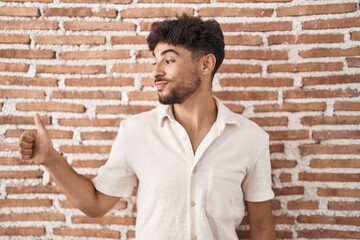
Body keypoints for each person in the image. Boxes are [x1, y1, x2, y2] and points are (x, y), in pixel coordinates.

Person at [18, 14, 275, 240]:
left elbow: (262, 228)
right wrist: (50, 159)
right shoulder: (136, 131)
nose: (155, 72)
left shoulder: (251, 139)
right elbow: (96, 204)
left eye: (169, 60)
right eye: (154, 61)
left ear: (206, 65)